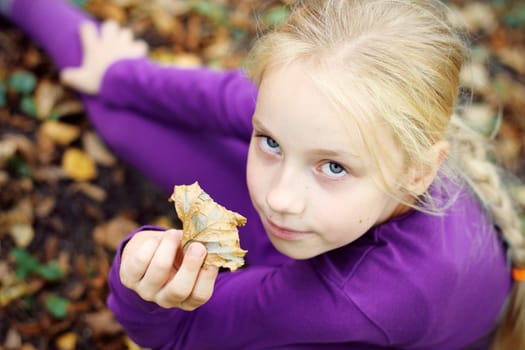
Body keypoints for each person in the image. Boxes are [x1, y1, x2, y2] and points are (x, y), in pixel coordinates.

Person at [3, 0, 525, 348]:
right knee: (118, 111)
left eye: (334, 166)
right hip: (334, 233)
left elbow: (182, 335)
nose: (278, 199)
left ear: (419, 172)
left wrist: (140, 286)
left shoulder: (363, 298)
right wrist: (121, 75)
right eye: (270, 141)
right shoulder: (321, 103)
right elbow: (225, 99)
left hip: (339, 295)